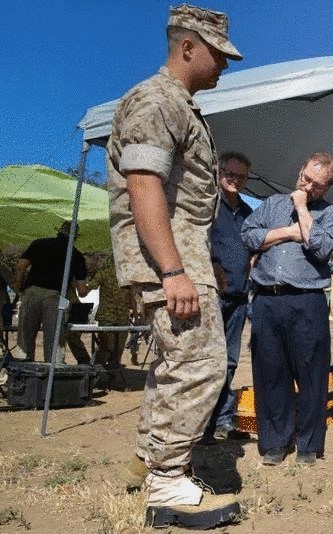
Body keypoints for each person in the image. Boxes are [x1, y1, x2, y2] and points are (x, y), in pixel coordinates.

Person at [105, 3, 243, 528]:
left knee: (173, 367)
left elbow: (181, 199)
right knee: (200, 367)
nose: (225, 67)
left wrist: (201, 263)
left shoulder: (178, 104)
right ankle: (167, 484)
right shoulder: (157, 99)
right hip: (169, 262)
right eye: (218, 55)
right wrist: (172, 270)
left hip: (183, 257)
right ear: (188, 47)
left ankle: (149, 461)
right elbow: (144, 185)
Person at [241, 152, 333, 467]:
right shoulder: (271, 205)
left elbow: (321, 247)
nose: (308, 186)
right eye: (306, 178)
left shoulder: (332, 214)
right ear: (300, 169)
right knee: (270, 373)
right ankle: (274, 443)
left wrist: (301, 207)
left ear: (326, 189)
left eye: (316, 185)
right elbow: (248, 235)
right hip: (266, 299)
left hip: (307, 301)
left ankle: (309, 446)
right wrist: (286, 233)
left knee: (312, 374)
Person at [203, 151, 253, 442]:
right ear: (219, 172)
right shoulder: (208, 205)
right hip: (211, 295)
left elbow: (254, 247)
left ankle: (222, 422)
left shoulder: (248, 214)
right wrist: (214, 266)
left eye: (241, 177)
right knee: (208, 360)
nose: (235, 180)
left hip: (238, 296)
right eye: (230, 174)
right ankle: (202, 426)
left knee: (229, 361)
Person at [13, 221, 90, 364]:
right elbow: (82, 290)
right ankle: (53, 376)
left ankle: (22, 376)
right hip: (55, 297)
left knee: (25, 339)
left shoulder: (39, 244)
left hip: (32, 293)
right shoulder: (76, 255)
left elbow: (20, 266)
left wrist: (19, 289)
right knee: (54, 342)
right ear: (75, 237)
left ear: (58, 232)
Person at [86, 254, 134, 370]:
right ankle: (112, 374)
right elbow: (133, 298)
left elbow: (88, 288)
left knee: (106, 347)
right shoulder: (127, 275)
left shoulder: (104, 273)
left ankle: (96, 372)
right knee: (117, 350)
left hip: (107, 317)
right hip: (121, 317)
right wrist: (136, 315)